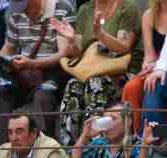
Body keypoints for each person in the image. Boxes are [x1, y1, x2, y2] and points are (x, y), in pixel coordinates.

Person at [52, 0, 142, 146]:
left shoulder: (127, 8)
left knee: (94, 83)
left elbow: (124, 47)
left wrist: (101, 34)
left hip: (120, 72)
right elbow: (78, 51)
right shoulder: (85, 9)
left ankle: (96, 145)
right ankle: (71, 148)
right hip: (91, 68)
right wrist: (71, 39)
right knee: (72, 84)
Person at [0, 0, 74, 138]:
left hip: (53, 73)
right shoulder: (15, 12)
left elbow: (63, 53)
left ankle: (45, 149)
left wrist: (32, 63)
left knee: (42, 96)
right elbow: (9, 46)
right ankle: (4, 151)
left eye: (26, 7)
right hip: (25, 73)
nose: (23, 11)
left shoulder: (61, 8)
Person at [70, 101, 154, 158]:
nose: (108, 124)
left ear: (128, 121)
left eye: (113, 119)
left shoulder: (139, 145)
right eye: (105, 119)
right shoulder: (99, 143)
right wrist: (84, 136)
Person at [122, 0, 166, 132]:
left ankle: (150, 140)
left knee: (153, 84)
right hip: (157, 65)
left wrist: (159, 67)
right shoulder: (149, 15)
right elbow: (149, 54)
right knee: (132, 87)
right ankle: (134, 137)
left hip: (162, 67)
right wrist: (148, 66)